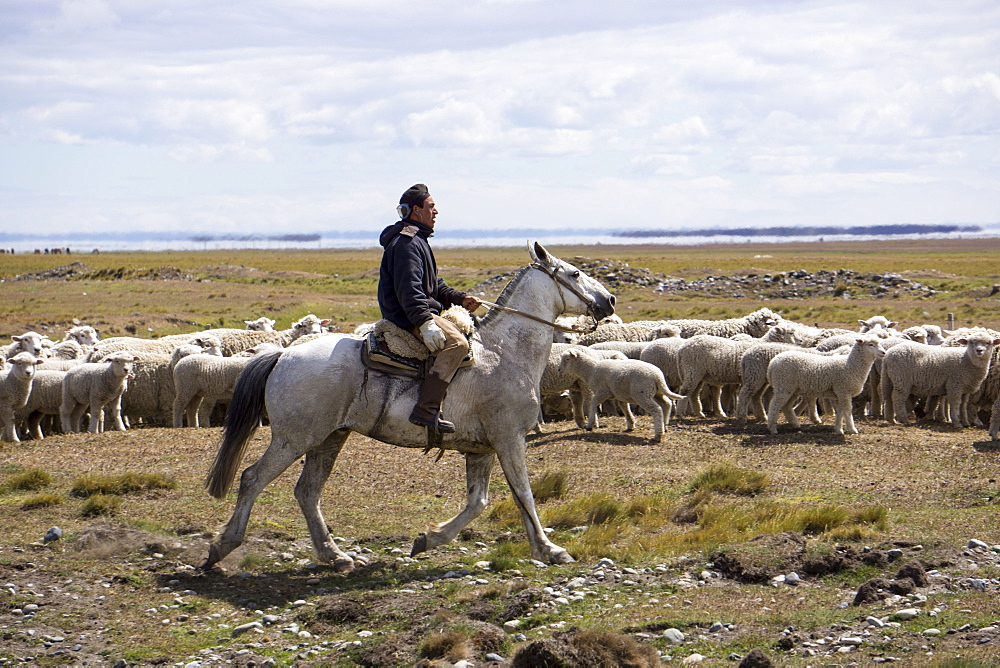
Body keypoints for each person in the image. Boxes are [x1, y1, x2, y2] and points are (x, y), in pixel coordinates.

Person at [377, 184, 482, 433]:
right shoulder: (407, 243)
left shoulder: (418, 239)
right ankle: (426, 409)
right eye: (431, 206)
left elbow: (433, 285)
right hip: (406, 316)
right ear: (416, 210)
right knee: (458, 344)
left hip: (417, 310)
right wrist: (425, 323)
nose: (436, 212)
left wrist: (460, 298)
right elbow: (410, 291)